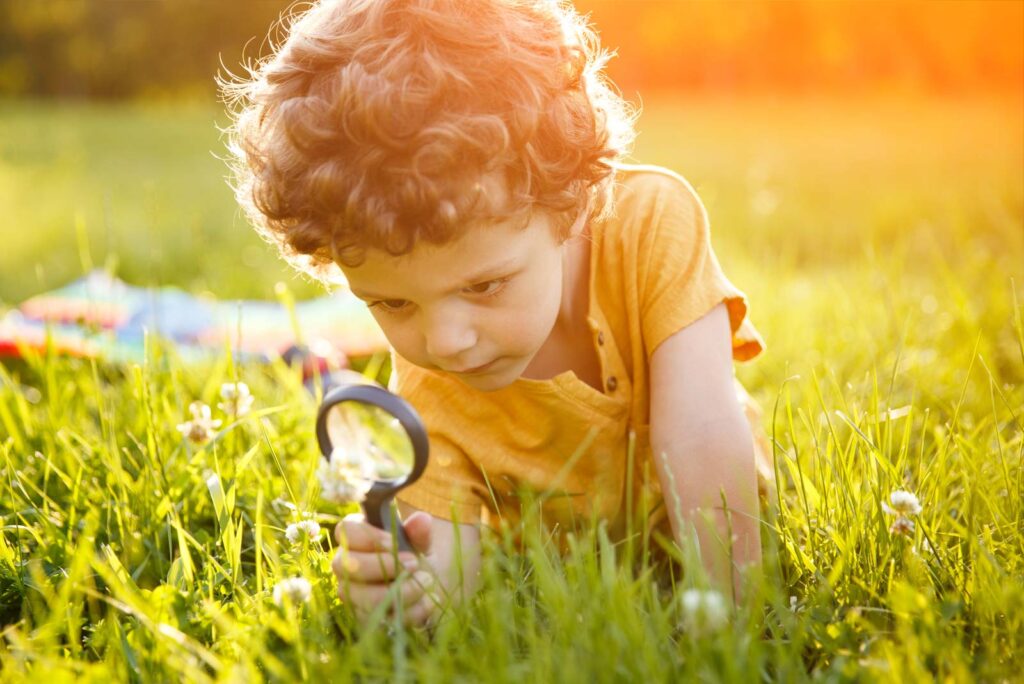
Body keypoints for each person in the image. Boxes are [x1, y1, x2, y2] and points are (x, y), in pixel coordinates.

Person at [223, 0, 771, 628]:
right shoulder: (430, 379)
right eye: (392, 303)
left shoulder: (649, 225)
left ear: (573, 201)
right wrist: (413, 591)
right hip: (569, 568)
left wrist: (731, 616)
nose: (446, 342)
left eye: (484, 286)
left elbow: (701, 432)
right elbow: (453, 557)